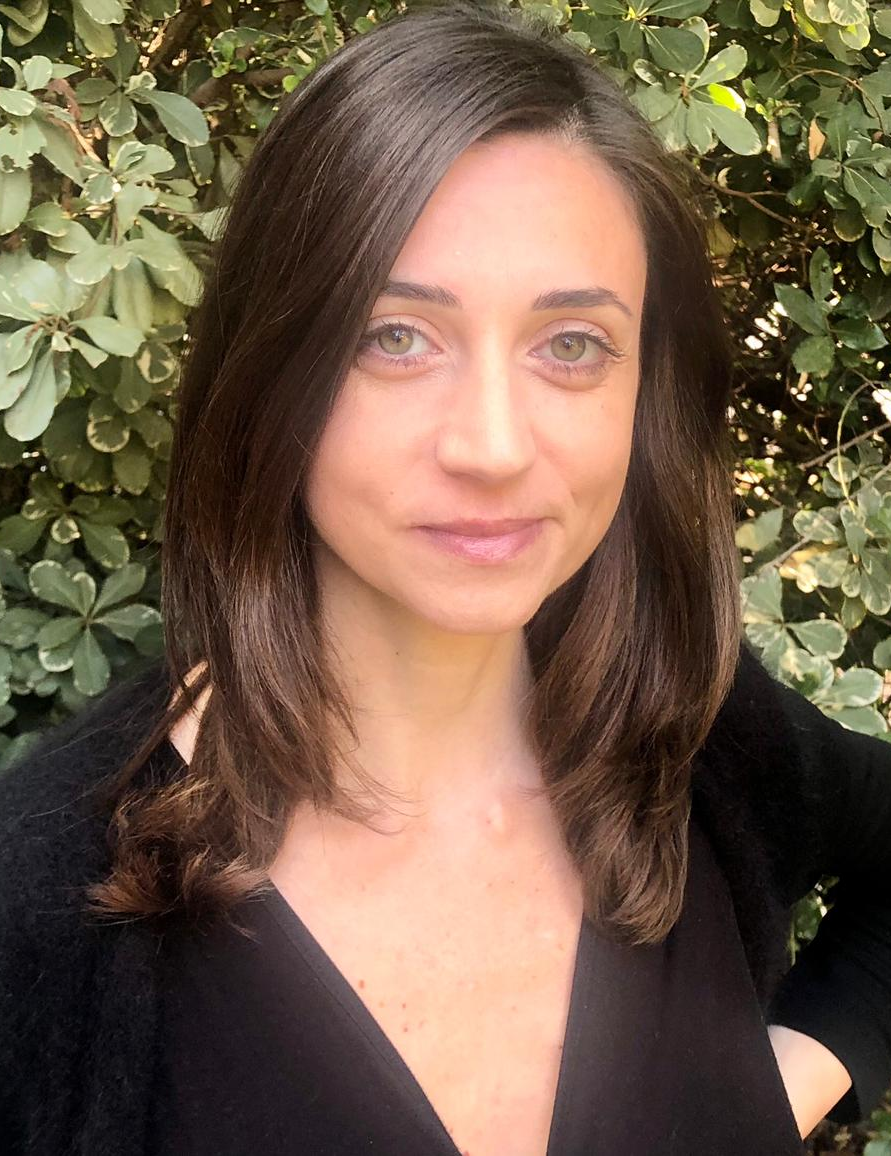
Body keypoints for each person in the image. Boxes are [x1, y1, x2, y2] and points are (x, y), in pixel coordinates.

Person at [2, 3, 890, 1154]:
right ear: (269, 373)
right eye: (395, 336)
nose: (492, 446)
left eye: (572, 345)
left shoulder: (695, 739)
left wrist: (768, 1095)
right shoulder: (39, 911)